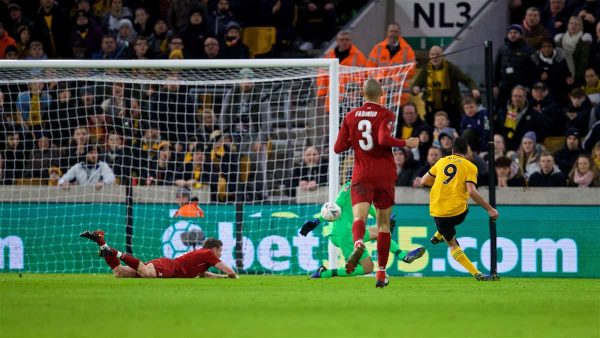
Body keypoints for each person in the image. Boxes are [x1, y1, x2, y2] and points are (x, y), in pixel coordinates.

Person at [333, 78, 419, 288]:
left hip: (361, 174)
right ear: (381, 93)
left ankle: (359, 243)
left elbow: (337, 148)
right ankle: (381, 273)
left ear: (363, 94)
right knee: (383, 225)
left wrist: (354, 140)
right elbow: (382, 139)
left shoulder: (351, 116)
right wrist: (405, 142)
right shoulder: (386, 114)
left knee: (358, 217)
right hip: (384, 175)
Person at [300, 181, 425, 279]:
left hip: (352, 232)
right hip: (343, 236)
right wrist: (316, 222)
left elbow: (370, 208)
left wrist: (385, 218)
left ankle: (404, 256)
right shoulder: (349, 188)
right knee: (367, 268)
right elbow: (334, 209)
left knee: (380, 232)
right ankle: (324, 273)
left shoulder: (365, 191)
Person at [419, 136, 499, 281]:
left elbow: (424, 181)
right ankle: (439, 236)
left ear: (452, 149)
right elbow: (472, 192)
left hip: (438, 211)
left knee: (452, 244)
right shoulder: (470, 166)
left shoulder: (442, 161)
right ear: (467, 151)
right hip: (458, 212)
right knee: (464, 207)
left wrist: (442, 185)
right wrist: (489, 209)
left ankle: (476, 273)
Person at [80, 230, 237, 278]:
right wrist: (233, 276)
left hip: (168, 265)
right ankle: (113, 251)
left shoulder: (203, 259)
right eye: (220, 250)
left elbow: (202, 274)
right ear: (213, 249)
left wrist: (221, 278)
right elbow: (228, 270)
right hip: (171, 267)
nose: (220, 254)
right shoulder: (208, 253)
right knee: (147, 274)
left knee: (119, 272)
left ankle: (101, 241)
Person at [412, 45, 480, 128]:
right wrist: (416, 88)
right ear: (429, 56)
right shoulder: (426, 69)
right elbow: (416, 84)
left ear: (443, 56)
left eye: (438, 54)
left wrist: (474, 89)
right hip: (432, 106)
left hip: (451, 105)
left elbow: (467, 80)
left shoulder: (450, 67)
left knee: (455, 127)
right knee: (430, 128)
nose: (435, 57)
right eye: (432, 54)